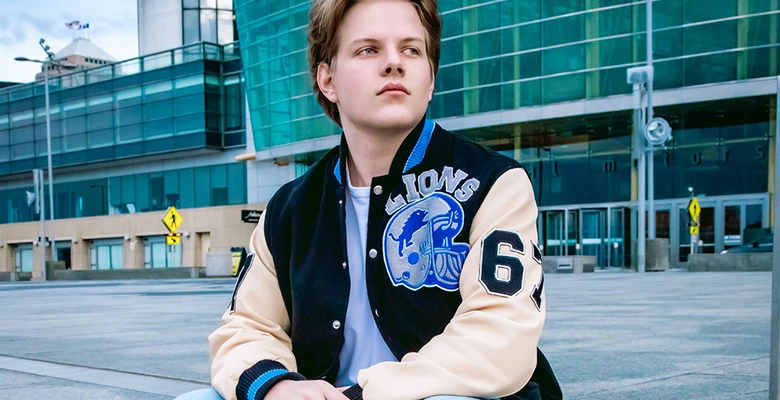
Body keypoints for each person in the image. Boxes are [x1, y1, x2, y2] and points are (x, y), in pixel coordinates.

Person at [176, 0, 561, 399]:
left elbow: (500, 331)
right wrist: (277, 386)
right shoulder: (290, 208)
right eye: (368, 50)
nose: (394, 63)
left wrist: (365, 393)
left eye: (411, 50)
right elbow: (247, 328)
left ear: (430, 80)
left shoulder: (494, 181)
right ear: (328, 80)